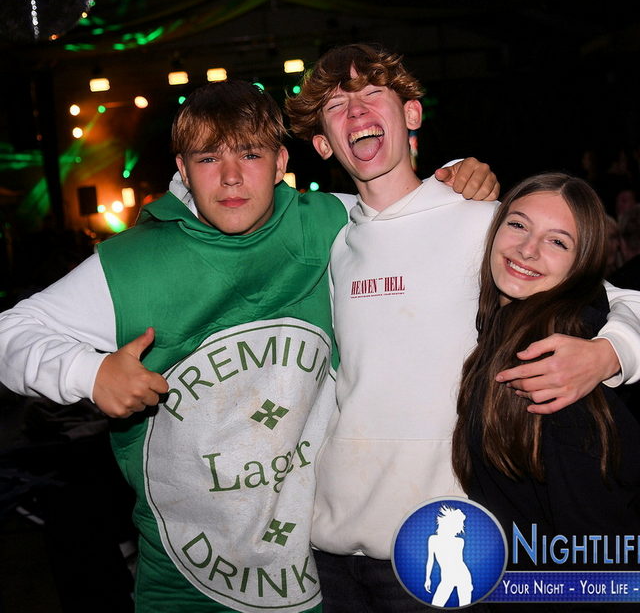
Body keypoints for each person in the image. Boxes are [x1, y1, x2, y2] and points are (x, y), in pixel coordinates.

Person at [0, 79, 496, 612]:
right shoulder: (130, 264)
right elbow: (10, 332)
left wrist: (458, 178)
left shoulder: (330, 221)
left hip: (319, 576)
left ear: (282, 161)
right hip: (187, 584)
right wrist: (89, 373)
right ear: (183, 168)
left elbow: (411, 211)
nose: (232, 176)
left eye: (251, 154)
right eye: (208, 158)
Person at [285, 43, 640, 612]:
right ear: (324, 144)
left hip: (440, 537)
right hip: (331, 545)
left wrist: (611, 352)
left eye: (372, 93)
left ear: (411, 114)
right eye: (336, 106)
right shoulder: (334, 237)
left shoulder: (485, 222)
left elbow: (616, 295)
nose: (356, 112)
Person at [452, 173, 640, 610]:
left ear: (581, 265)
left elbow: (605, 573)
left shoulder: (554, 373)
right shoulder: (500, 333)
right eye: (518, 224)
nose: (528, 249)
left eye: (558, 241)